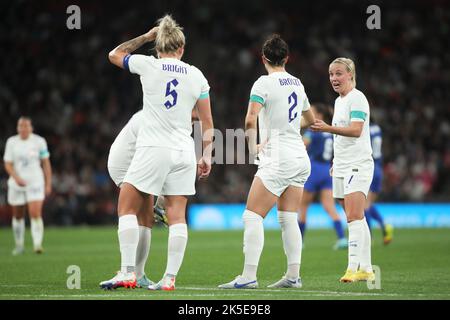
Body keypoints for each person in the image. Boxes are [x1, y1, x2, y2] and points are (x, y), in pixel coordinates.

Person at [100, 14, 213, 291]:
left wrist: (145, 37)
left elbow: (115, 54)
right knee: (177, 216)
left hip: (154, 148)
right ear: (182, 48)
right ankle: (169, 278)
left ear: (158, 46)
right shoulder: (197, 74)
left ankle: (127, 272)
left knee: (126, 207)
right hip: (184, 151)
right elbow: (208, 123)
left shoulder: (148, 64)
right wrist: (207, 155)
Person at [219, 34, 315, 289]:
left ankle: (249, 276)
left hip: (278, 156)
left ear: (263, 58)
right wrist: (290, 127)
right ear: (287, 58)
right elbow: (310, 119)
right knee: (288, 218)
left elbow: (251, 119)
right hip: (299, 157)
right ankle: (293, 276)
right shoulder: (297, 83)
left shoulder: (263, 83)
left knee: (252, 216)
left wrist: (253, 148)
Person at [311, 57, 375, 283]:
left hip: (358, 164)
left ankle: (352, 268)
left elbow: (356, 130)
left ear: (350, 75)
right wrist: (335, 162)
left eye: (338, 74)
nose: (334, 79)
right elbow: (341, 139)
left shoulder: (357, 99)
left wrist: (327, 128)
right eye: (331, 74)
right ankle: (367, 269)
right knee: (358, 217)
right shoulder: (339, 102)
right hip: (341, 165)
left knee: (353, 216)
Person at [107, 109, 168, 288]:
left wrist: (161, 201)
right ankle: (127, 271)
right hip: (126, 164)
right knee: (128, 211)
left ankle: (138, 274)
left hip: (140, 161)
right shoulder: (152, 119)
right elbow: (157, 158)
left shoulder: (165, 118)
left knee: (146, 219)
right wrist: (163, 199)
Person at [299, 103, 347, 250]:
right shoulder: (331, 132)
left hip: (314, 169)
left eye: (311, 112)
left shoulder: (313, 130)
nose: (308, 114)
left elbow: (303, 144)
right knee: (329, 206)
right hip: (327, 170)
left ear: (319, 115)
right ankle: (342, 238)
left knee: (303, 206)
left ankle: (299, 241)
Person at [3, 116, 52, 255]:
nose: (23, 128)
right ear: (17, 128)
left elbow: (46, 163)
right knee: (18, 215)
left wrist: (48, 183)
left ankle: (37, 244)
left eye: (26, 126)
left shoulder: (39, 141)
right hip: (16, 183)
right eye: (21, 126)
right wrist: (16, 178)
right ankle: (19, 245)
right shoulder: (11, 142)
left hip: (35, 181)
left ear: (31, 128)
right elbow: (7, 163)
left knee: (35, 213)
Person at [365, 120, 393, 244]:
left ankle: (368, 236)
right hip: (378, 168)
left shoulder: (363, 129)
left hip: (368, 167)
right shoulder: (377, 128)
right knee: (368, 204)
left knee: (364, 205)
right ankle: (384, 225)